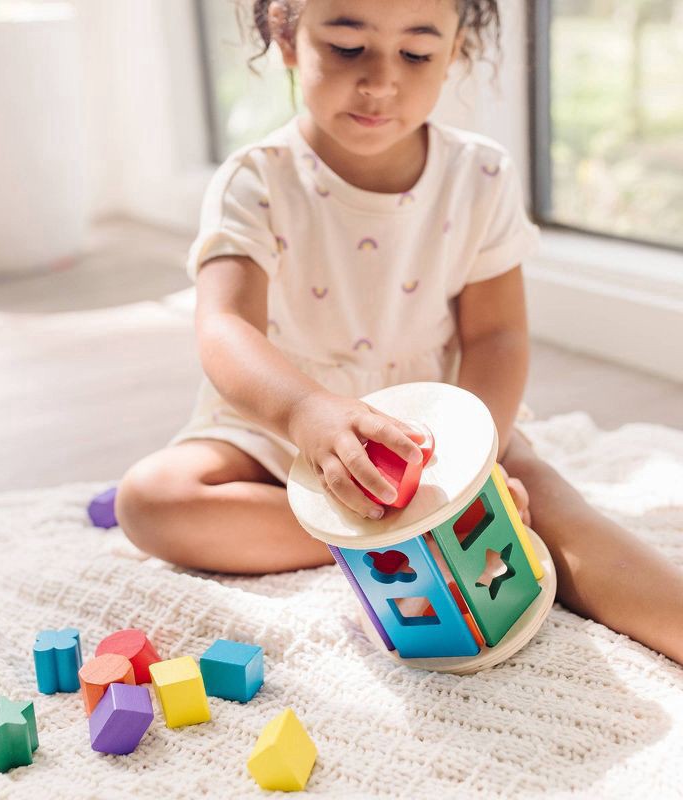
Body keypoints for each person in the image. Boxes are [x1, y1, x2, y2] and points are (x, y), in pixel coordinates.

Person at [116, 0, 683, 664]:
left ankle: (436, 531)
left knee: (559, 506)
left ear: (455, 52)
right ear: (289, 39)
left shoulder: (481, 175)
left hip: (435, 429)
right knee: (151, 501)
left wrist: (482, 453)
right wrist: (306, 412)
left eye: (416, 54)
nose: (381, 83)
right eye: (349, 47)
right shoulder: (257, 180)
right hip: (286, 423)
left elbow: (498, 336)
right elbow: (225, 326)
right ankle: (392, 539)